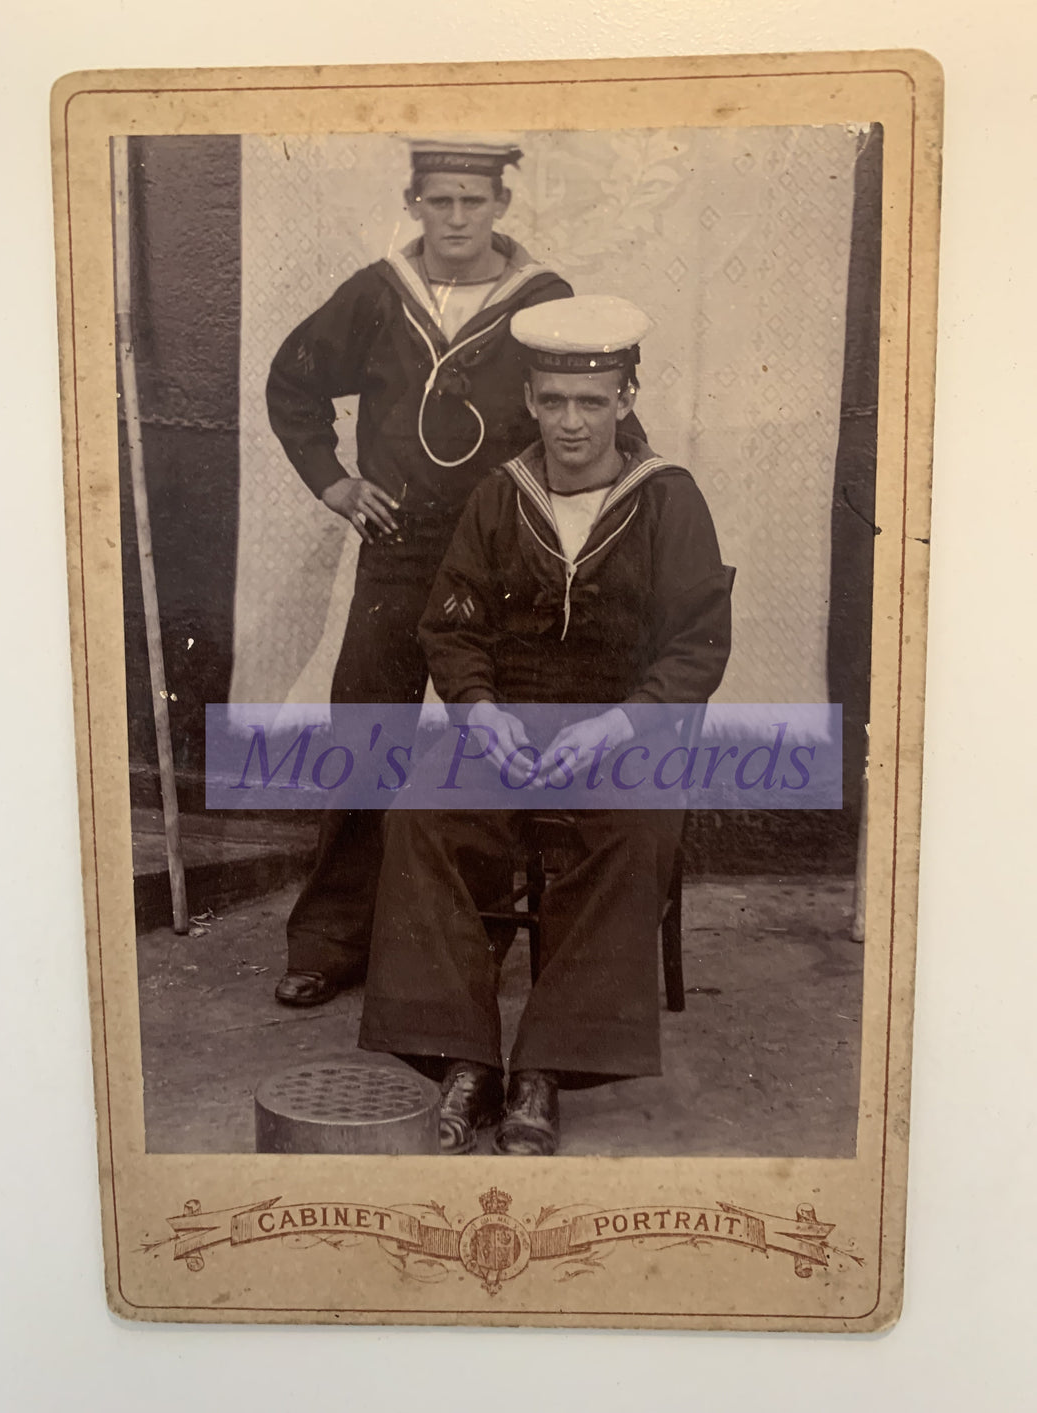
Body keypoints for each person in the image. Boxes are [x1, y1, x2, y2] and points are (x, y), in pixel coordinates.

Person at [358, 296, 733, 1156]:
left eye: (592, 400)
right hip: (507, 732)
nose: (572, 422)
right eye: (555, 400)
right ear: (529, 398)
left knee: (638, 830)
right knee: (420, 817)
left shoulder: (668, 501)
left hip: (618, 737)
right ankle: (464, 1057)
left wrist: (618, 730)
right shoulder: (498, 498)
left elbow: (697, 644)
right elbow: (449, 624)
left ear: (627, 397)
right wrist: (481, 714)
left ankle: (544, 1071)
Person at [265, 138, 575, 1007]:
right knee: (366, 726)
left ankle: (476, 935)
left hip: (500, 552)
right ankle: (333, 938)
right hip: (398, 545)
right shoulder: (377, 292)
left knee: (498, 733)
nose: (457, 218)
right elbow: (292, 384)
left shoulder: (544, 302)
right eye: (440, 200)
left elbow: (585, 412)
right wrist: (333, 481)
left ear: (502, 205)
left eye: (474, 200)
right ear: (414, 202)